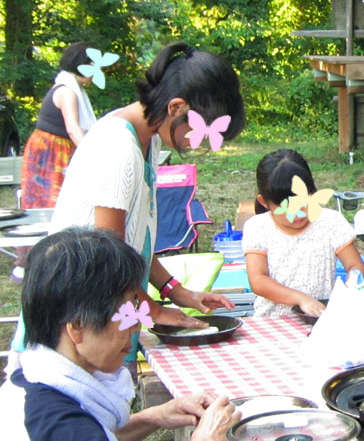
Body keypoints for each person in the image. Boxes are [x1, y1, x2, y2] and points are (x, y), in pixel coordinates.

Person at [8, 41, 247, 370]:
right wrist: (154, 310)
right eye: (202, 131)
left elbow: (133, 245)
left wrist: (176, 292)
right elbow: (110, 260)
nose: (203, 141)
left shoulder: (146, 140)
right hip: (71, 325)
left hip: (101, 313)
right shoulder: (118, 147)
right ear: (177, 107)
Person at [0, 227, 239, 441]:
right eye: (126, 311)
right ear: (77, 328)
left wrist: (156, 416)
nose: (137, 322)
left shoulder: (32, 379)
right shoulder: (57, 425)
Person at [242, 149, 364, 318]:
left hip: (320, 319)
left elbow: (355, 266)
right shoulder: (258, 228)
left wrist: (352, 284)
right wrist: (301, 299)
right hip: (273, 321)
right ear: (264, 202)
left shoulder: (331, 222)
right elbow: (258, 281)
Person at [20, 42, 99, 209]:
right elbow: (73, 128)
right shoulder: (67, 91)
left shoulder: (72, 88)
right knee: (49, 202)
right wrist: (93, 154)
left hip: (57, 148)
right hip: (49, 150)